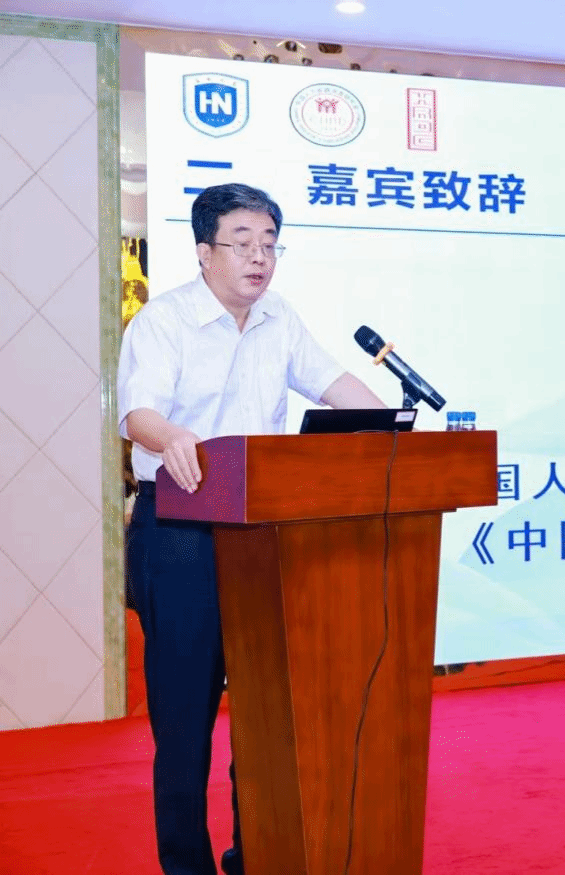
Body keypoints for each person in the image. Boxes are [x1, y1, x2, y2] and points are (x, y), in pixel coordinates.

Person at [118, 183, 386, 875]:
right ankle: (187, 865)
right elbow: (138, 414)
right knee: (185, 721)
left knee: (267, 713)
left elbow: (336, 386)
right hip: (180, 530)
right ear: (204, 251)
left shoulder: (278, 317)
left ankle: (255, 856)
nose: (259, 257)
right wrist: (173, 436)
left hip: (263, 533)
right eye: (242, 243)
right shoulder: (164, 321)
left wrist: (393, 425)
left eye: (269, 243)